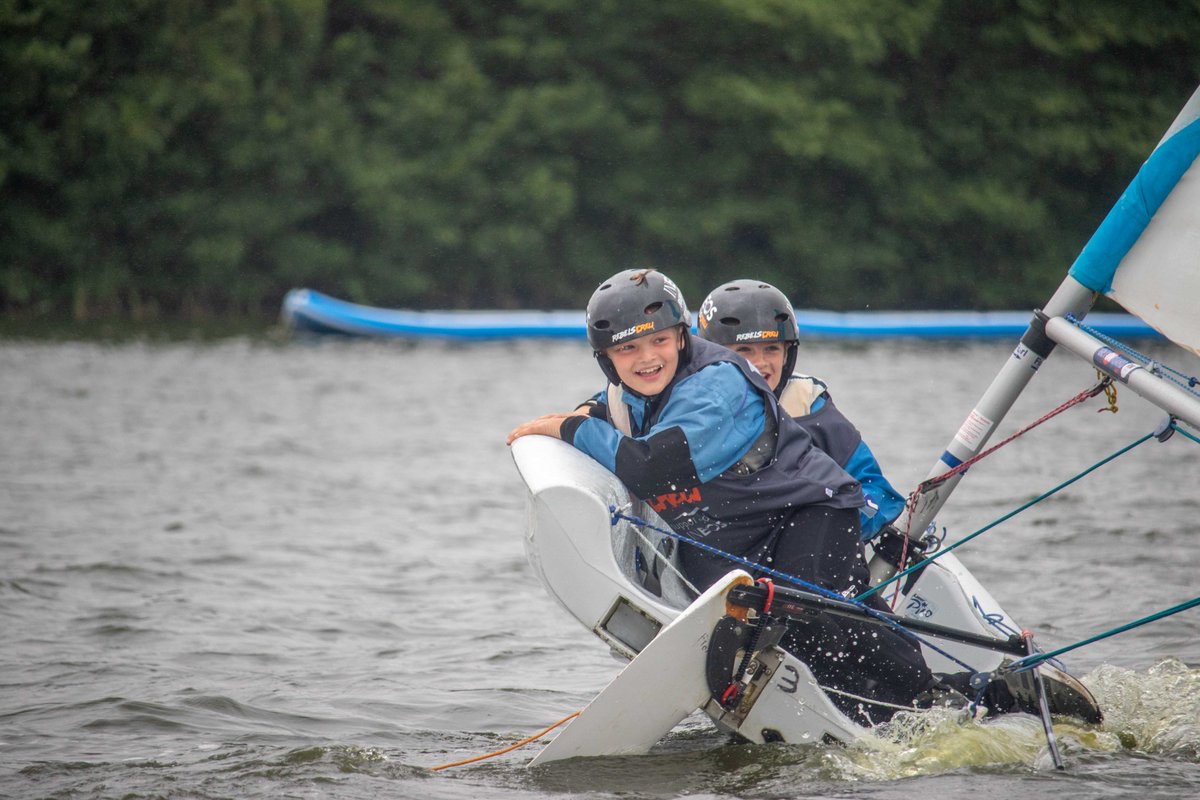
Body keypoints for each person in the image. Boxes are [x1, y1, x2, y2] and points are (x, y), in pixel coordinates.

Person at [506, 267, 941, 723]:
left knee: (817, 626)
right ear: (607, 359)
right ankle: (877, 713)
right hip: (742, 535)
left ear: (680, 337)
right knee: (805, 634)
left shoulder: (718, 383)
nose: (646, 358)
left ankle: (926, 705)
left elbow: (655, 469)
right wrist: (587, 413)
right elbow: (611, 406)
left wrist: (570, 428)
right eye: (627, 349)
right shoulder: (634, 391)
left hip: (811, 514)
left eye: (658, 341)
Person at [695, 279, 909, 556]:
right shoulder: (687, 406)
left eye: (771, 348)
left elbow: (879, 494)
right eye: (744, 351)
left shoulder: (808, 404)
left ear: (788, 353)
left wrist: (823, 528)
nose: (760, 363)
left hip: (796, 561)